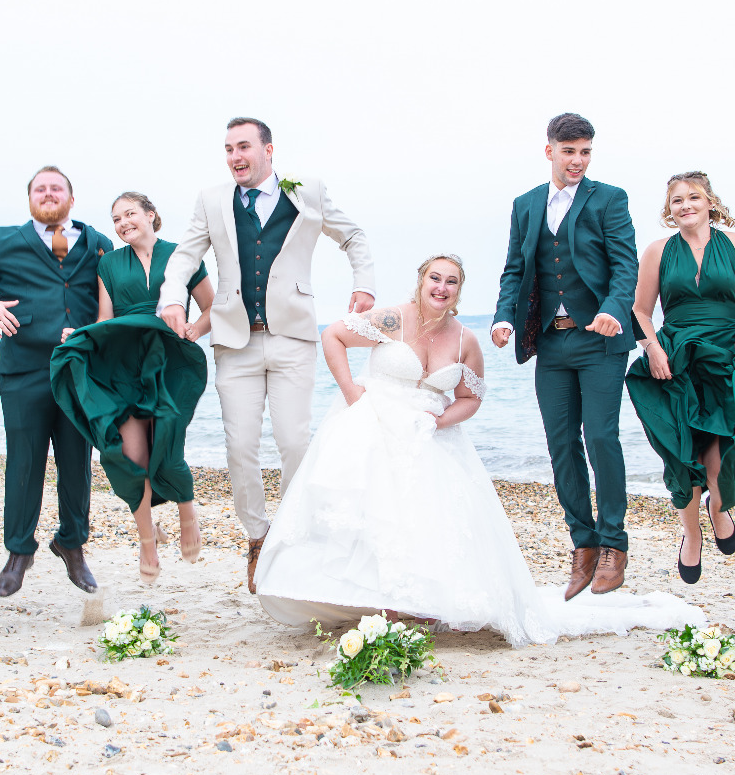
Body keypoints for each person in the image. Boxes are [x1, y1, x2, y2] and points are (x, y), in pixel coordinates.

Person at [258, 255, 705, 644]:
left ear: (459, 291)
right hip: (374, 422)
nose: (441, 287)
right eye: (435, 278)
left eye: (451, 282)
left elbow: (470, 399)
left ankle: (415, 602)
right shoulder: (392, 318)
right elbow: (333, 336)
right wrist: (352, 393)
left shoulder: (464, 339)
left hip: (429, 432)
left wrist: (439, 420)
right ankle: (365, 596)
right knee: (367, 508)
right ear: (421, 281)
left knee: (426, 517)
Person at [157, 117, 376, 590]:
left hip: (293, 336)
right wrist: (173, 297)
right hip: (234, 340)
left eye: (244, 147)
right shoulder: (211, 200)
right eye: (228, 149)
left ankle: (291, 532)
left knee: (294, 442)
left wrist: (364, 285)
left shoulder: (308, 191)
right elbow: (184, 256)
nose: (235, 157)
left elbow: (353, 236)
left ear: (268, 150)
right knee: (240, 446)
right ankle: (258, 536)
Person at [489, 113, 640, 599]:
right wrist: (503, 318)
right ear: (549, 150)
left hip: (599, 340)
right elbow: (515, 269)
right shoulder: (526, 204)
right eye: (569, 151)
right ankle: (584, 544)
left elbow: (625, 265)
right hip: (550, 344)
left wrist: (614, 309)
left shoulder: (609, 199)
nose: (577, 160)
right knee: (561, 445)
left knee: (601, 437)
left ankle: (614, 544)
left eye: (585, 152)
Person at [0, 165, 114, 598]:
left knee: (77, 462)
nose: (48, 193)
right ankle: (19, 550)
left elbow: (110, 299)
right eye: (40, 188)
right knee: (24, 462)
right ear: (29, 199)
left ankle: (72, 544)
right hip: (23, 369)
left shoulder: (98, 242)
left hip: (78, 369)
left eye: (56, 188)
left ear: (71, 199)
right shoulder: (1, 240)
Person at [51, 192, 214, 586]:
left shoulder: (183, 255)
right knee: (130, 453)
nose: (123, 223)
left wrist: (194, 330)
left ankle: (187, 511)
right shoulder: (108, 263)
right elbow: (106, 319)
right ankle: (146, 539)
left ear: (150, 215)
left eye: (130, 214)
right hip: (121, 362)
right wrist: (81, 335)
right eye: (116, 219)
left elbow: (213, 307)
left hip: (168, 359)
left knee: (169, 439)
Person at [625, 172, 735, 585]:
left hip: (729, 354)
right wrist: (652, 349)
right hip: (675, 359)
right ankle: (691, 535)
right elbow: (639, 311)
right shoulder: (657, 251)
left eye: (694, 197)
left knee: (724, 448)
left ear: (711, 203)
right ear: (669, 210)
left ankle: (719, 507)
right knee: (682, 451)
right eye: (677, 200)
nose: (685, 205)